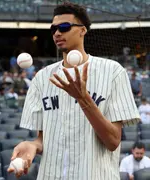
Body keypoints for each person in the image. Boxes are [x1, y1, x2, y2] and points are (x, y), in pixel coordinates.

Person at [8, 2, 140, 180]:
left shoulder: (113, 72)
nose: (57, 33)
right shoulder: (42, 78)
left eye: (64, 27)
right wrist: (33, 145)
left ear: (83, 30)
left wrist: (84, 99)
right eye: (53, 28)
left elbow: (113, 141)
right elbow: (43, 139)